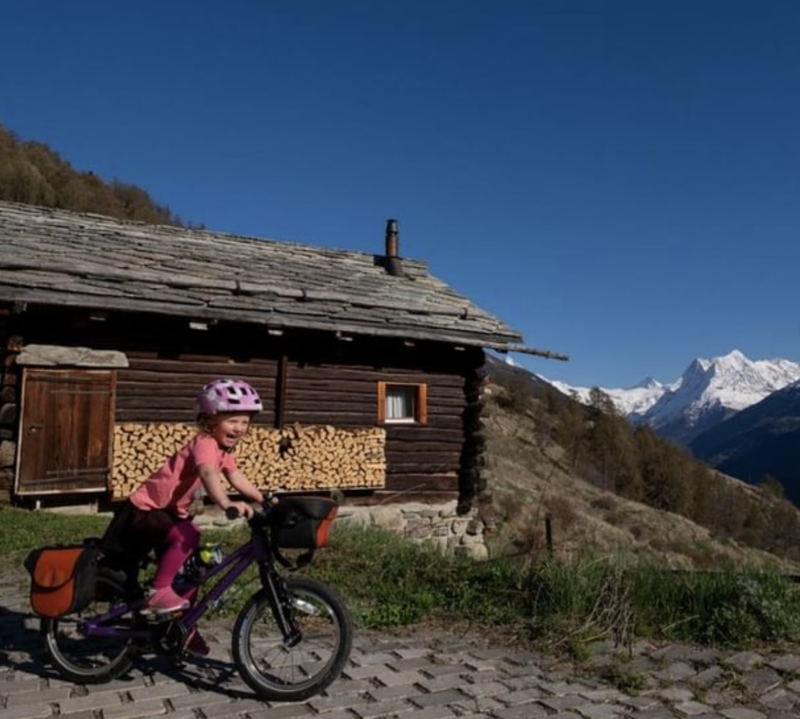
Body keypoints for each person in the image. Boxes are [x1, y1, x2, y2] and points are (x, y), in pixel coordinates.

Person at [112, 378, 265, 654]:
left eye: (244, 421)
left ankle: (183, 626)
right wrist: (224, 502)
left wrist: (264, 498)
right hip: (146, 510)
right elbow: (208, 473)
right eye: (232, 420)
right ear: (210, 419)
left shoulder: (222, 449)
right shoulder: (205, 443)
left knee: (193, 573)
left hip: (168, 512)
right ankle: (159, 591)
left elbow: (235, 475)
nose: (240, 428)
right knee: (189, 534)